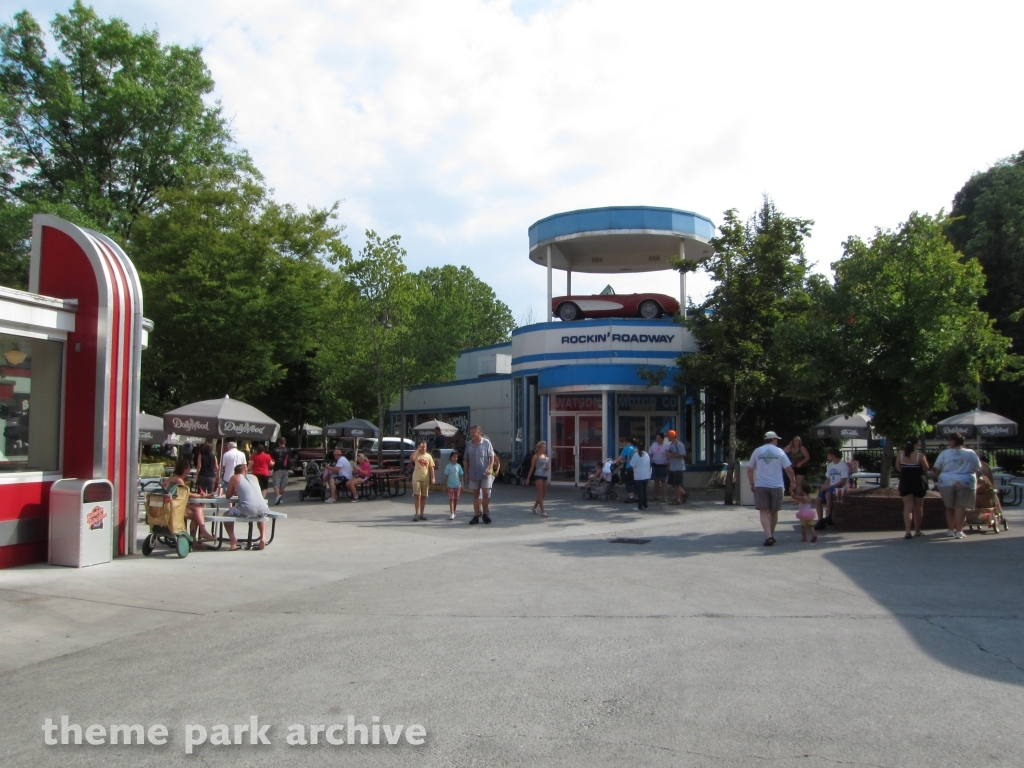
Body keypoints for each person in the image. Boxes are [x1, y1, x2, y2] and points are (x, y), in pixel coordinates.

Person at [747, 431, 796, 546]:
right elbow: (789, 469)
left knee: (763, 511)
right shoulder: (779, 451)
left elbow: (750, 469)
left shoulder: (757, 451)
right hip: (777, 486)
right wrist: (793, 481)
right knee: (774, 512)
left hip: (761, 485)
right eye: (776, 439)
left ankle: (768, 536)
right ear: (773, 440)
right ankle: (771, 535)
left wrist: (751, 483)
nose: (777, 441)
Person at [933, 432, 981, 539]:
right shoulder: (970, 453)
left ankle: (950, 529)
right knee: (960, 507)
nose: (948, 442)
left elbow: (937, 468)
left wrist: (939, 477)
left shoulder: (945, 453)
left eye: (949, 440)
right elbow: (977, 467)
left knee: (949, 506)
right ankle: (959, 531)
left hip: (947, 481)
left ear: (953, 441)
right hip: (965, 480)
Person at [165, 457, 215, 547]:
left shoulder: (173, 478)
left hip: (174, 505)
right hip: (175, 508)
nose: (190, 470)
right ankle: (198, 535)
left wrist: (202, 495)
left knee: (197, 509)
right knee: (197, 514)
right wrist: (203, 495)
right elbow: (188, 494)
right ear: (185, 469)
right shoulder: (179, 480)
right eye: (189, 468)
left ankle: (198, 535)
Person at [224, 463, 268, 550]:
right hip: (264, 507)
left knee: (226, 515)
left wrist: (235, 489)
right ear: (245, 470)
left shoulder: (234, 477)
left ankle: (233, 540)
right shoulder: (254, 477)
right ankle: (263, 538)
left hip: (248, 508)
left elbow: (228, 496)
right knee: (261, 516)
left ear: (235, 471)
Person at [897, 438, 929, 538]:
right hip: (918, 482)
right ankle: (917, 531)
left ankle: (907, 531)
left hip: (905, 482)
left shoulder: (900, 455)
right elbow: (926, 468)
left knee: (907, 507)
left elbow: (899, 468)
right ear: (916, 444)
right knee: (918, 507)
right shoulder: (920, 456)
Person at [463, 424, 495, 524]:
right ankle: (476, 515)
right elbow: (465, 459)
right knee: (476, 494)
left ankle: (485, 514)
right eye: (471, 432)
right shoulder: (469, 444)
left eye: (473, 432)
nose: (472, 434)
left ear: (479, 432)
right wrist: (466, 472)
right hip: (473, 472)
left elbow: (492, 456)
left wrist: (490, 468)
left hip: (485, 473)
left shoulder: (486, 443)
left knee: (485, 494)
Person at [814, 448, 850, 528]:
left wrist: (829, 487)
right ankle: (820, 521)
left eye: (828, 455)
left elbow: (843, 481)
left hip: (840, 487)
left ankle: (829, 516)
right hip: (830, 486)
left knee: (828, 494)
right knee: (818, 499)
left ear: (832, 455)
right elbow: (828, 479)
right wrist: (824, 486)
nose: (827, 456)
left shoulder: (843, 465)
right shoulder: (829, 465)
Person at [411, 441, 436, 521]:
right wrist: (418, 449)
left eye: (425, 447)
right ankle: (417, 513)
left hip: (425, 478)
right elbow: (411, 458)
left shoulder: (428, 456)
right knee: (417, 495)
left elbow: (431, 467)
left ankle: (422, 513)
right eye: (422, 447)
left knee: (423, 496)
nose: (423, 448)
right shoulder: (417, 454)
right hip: (416, 478)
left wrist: (433, 478)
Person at [526, 440, 550, 517]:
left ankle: (534, 507)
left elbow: (546, 465)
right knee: (540, 493)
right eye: (543, 447)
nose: (545, 449)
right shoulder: (536, 456)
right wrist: (528, 478)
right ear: (539, 448)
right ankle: (543, 511)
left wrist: (548, 467)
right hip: (538, 475)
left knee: (543, 494)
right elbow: (532, 467)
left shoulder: (545, 456)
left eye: (545, 447)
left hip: (545, 475)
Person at [665, 430, 689, 504]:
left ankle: (677, 499)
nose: (667, 437)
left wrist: (673, 455)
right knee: (673, 483)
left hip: (678, 467)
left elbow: (683, 454)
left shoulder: (679, 444)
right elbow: (669, 453)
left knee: (677, 484)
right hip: (672, 467)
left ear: (672, 436)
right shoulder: (670, 444)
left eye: (668, 436)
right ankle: (683, 494)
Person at [269, 437, 291, 506]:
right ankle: (280, 497)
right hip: (285, 468)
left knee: (276, 483)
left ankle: (278, 496)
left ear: (279, 442)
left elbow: (271, 459)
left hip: (277, 468)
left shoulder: (275, 450)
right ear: (285, 442)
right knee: (283, 484)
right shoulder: (288, 450)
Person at [630, 442, 652, 510]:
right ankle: (645, 505)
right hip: (646, 475)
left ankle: (640, 506)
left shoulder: (636, 455)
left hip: (638, 476)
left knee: (640, 492)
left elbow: (632, 464)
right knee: (644, 491)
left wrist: (629, 459)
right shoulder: (646, 454)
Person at [616, 437, 638, 503]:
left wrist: (614, 462)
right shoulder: (636, 448)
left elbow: (621, 457)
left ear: (628, 442)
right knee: (636, 483)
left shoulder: (628, 448)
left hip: (630, 468)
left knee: (628, 482)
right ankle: (637, 497)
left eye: (626, 442)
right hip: (637, 468)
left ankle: (631, 497)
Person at [649, 433, 670, 502]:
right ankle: (655, 496)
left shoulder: (666, 446)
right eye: (656, 438)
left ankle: (664, 497)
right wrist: (650, 462)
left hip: (663, 465)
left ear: (662, 439)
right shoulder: (653, 445)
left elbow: (669, 455)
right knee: (656, 481)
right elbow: (650, 454)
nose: (657, 439)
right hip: (655, 464)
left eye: (658, 438)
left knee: (663, 481)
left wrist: (668, 462)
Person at [444, 451, 464, 520]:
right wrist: (444, 485)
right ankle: (452, 513)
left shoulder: (459, 466)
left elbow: (461, 475)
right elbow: (446, 476)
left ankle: (454, 511)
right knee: (451, 499)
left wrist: (462, 483)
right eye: (454, 457)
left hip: (457, 485)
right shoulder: (448, 466)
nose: (455, 458)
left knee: (455, 499)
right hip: (450, 485)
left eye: (456, 457)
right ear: (451, 458)